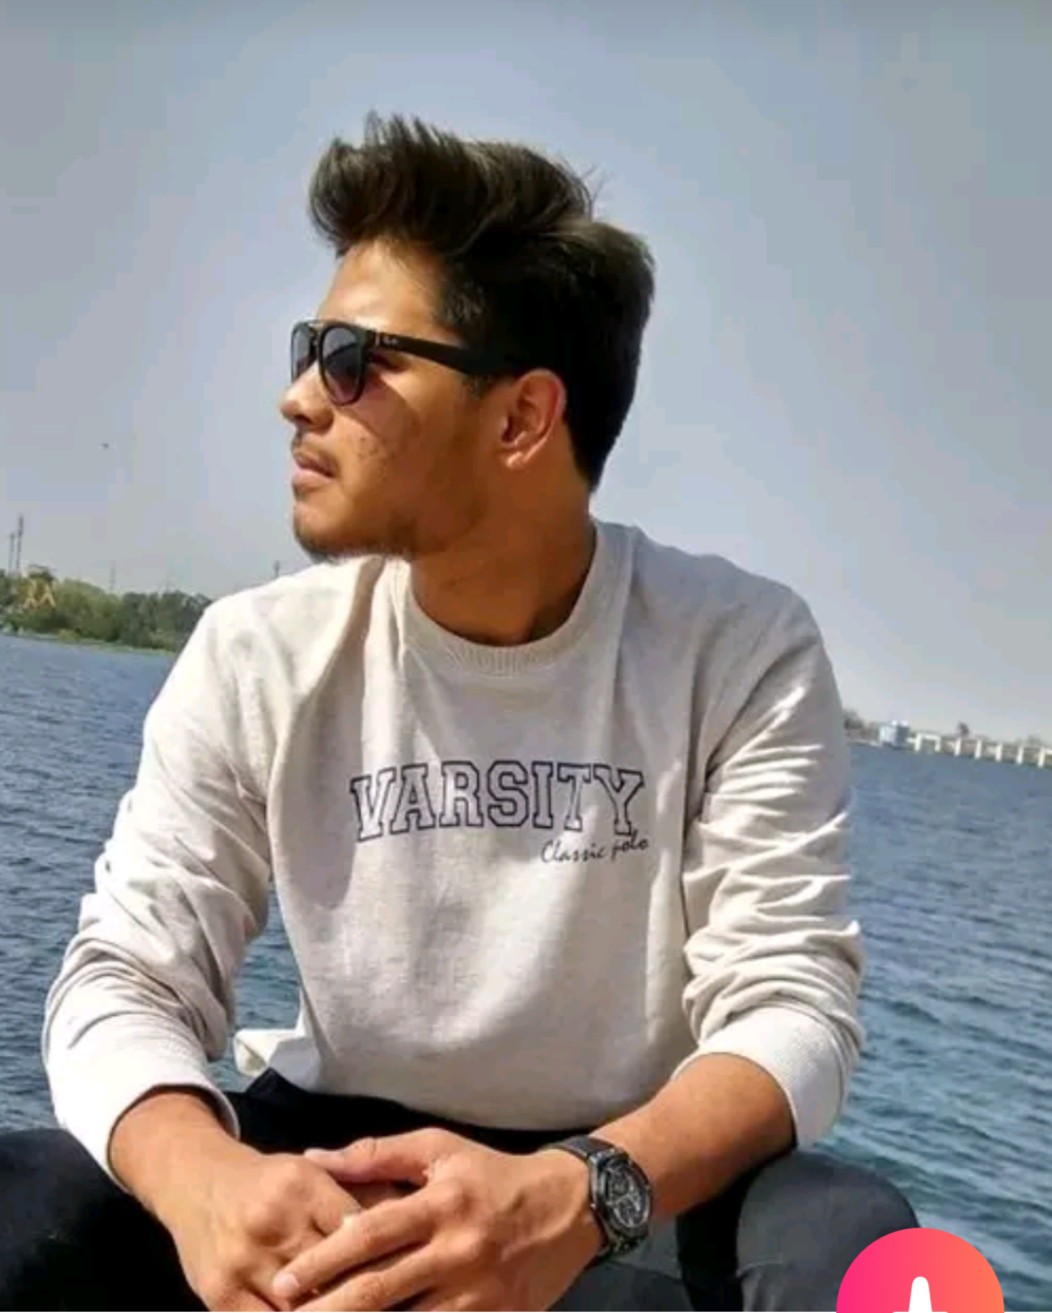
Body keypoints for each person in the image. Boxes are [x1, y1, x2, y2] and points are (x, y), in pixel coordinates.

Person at [0, 114, 916, 1312]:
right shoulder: (258, 652)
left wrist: (574, 1196)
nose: (296, 398)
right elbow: (125, 971)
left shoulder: (734, 647)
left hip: (610, 1184)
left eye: (351, 359)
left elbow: (790, 1005)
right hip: (328, 1149)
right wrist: (204, 1181)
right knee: (26, 1199)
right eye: (307, 350)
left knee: (863, 1252)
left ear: (521, 418)